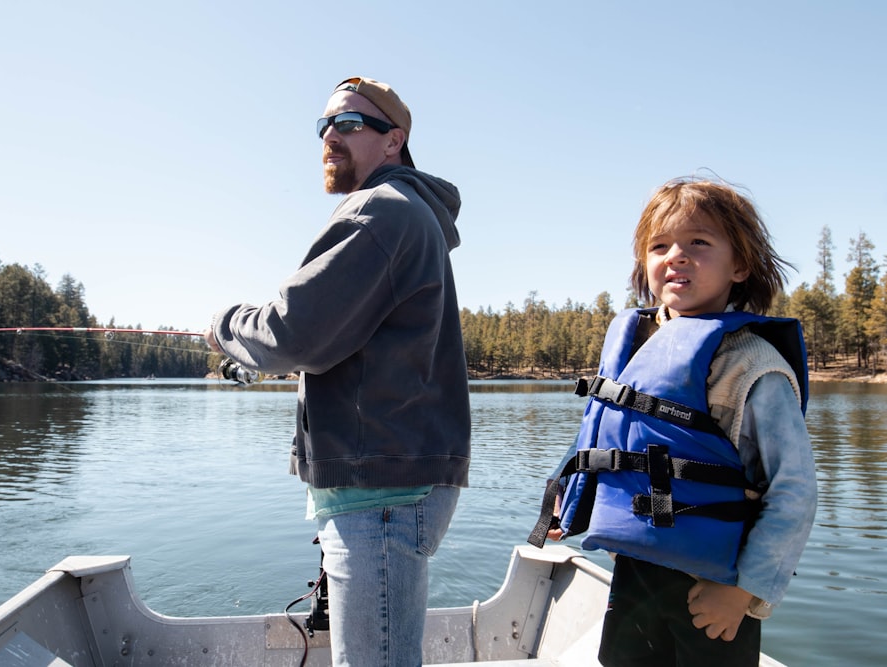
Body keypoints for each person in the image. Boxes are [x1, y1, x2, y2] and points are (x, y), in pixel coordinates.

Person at [206, 76, 470, 667]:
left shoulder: (382, 211)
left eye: (349, 124)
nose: (330, 135)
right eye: (323, 125)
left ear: (393, 140)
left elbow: (292, 334)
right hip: (387, 478)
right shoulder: (407, 214)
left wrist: (224, 325)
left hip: (381, 487)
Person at [532, 176, 817, 666]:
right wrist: (564, 491)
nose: (676, 256)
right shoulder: (632, 344)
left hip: (713, 584)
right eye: (660, 245)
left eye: (699, 243)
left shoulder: (750, 364)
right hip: (634, 570)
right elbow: (599, 431)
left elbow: (794, 490)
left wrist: (744, 593)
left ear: (740, 265)